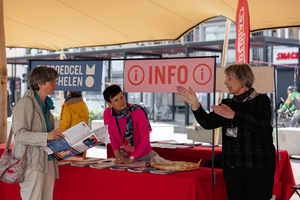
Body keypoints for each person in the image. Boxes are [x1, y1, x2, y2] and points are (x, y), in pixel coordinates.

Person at [176, 63, 276, 200]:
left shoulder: (261, 100)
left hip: (257, 166)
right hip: (232, 166)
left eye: (229, 78)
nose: (225, 82)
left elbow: (261, 126)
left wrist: (234, 115)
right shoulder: (227, 103)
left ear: (242, 80)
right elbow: (208, 123)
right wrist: (195, 105)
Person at [12, 66, 65, 200]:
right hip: (31, 163)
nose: (55, 84)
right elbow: (19, 135)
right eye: (52, 81)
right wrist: (47, 136)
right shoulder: (26, 102)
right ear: (40, 84)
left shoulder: (46, 105)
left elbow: (46, 134)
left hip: (47, 161)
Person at [103, 84, 155, 165]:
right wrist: (118, 157)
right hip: (124, 156)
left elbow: (145, 141)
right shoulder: (107, 113)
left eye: (121, 97)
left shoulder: (137, 112)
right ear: (109, 104)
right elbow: (112, 136)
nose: (121, 101)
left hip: (144, 157)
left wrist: (131, 158)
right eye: (116, 100)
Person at [56, 91, 89, 156]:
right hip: (82, 142)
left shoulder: (67, 106)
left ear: (69, 92)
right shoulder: (83, 104)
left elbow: (64, 126)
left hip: (69, 145)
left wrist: (54, 139)